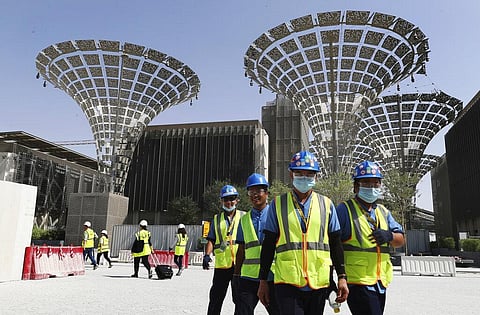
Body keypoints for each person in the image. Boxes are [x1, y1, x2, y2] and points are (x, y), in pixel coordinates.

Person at [257, 151, 348, 315]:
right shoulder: (278, 204)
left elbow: (335, 243)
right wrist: (263, 280)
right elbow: (268, 245)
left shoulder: (326, 204)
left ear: (316, 177)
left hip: (318, 281)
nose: (304, 177)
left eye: (309, 174)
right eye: (299, 173)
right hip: (287, 281)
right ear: (291, 174)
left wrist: (342, 277)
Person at [336, 160, 405, 315]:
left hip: (380, 281)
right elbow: (333, 244)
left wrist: (390, 235)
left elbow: (401, 240)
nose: (371, 187)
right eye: (366, 183)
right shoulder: (344, 210)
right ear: (356, 186)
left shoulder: (383, 211)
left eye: (375, 183)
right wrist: (339, 277)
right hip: (358, 281)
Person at [234, 173, 279, 315]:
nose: (255, 195)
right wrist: (236, 276)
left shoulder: (276, 215)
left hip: (273, 275)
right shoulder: (244, 220)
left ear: (266, 193)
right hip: (249, 277)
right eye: (251, 192)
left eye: (258, 191)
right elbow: (241, 249)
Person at [204, 184, 245, 315]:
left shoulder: (244, 216)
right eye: (226, 199)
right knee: (216, 298)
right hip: (222, 265)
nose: (229, 202)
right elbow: (211, 239)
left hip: (239, 265)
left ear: (237, 200)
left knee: (240, 299)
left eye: (232, 198)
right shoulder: (216, 219)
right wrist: (207, 255)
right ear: (221, 201)